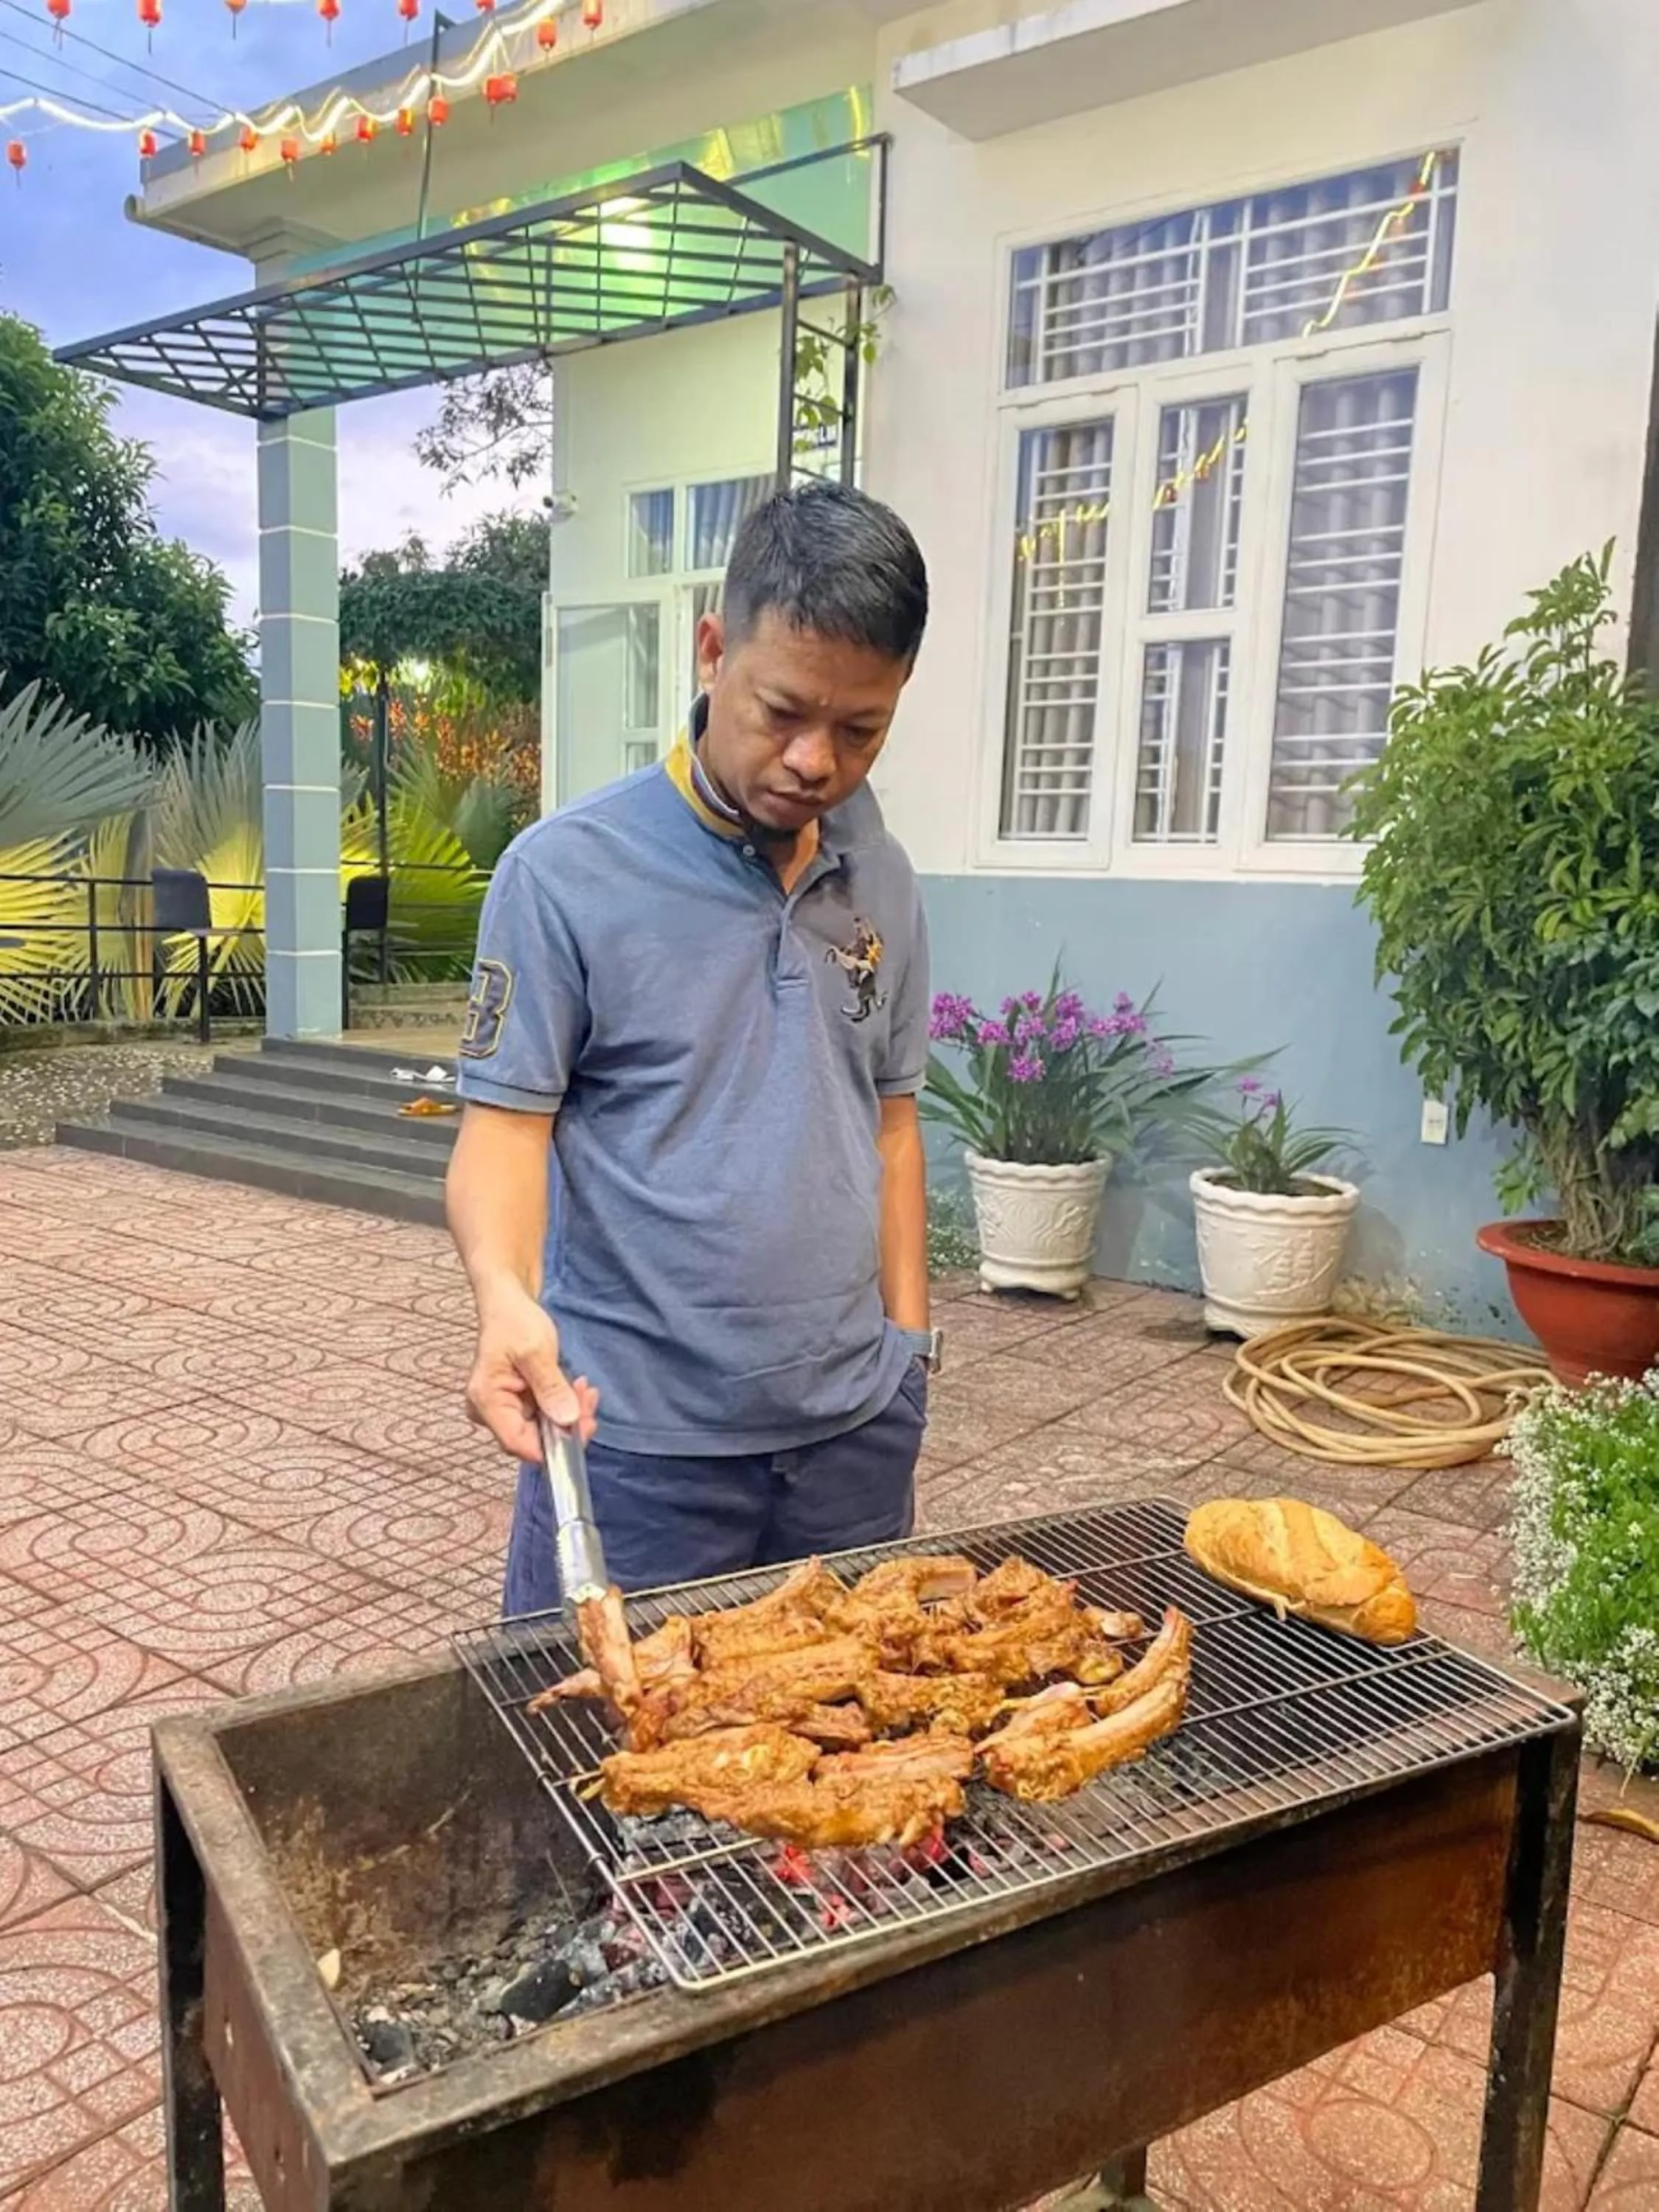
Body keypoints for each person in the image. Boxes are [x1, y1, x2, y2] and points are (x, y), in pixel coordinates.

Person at [447, 479, 941, 1613]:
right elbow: (505, 1134)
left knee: (840, 1765)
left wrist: (910, 1355)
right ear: (712, 650)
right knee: (593, 1771)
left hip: (852, 1443)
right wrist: (502, 1297)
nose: (816, 759)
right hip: (635, 1446)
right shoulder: (565, 873)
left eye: (860, 728)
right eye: (784, 711)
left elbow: (892, 1123)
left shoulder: (886, 880)